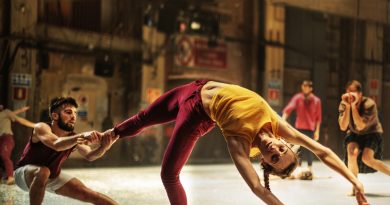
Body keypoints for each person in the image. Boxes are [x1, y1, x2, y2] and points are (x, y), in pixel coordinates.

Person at [100, 80, 368, 205]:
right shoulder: (278, 126)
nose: (276, 150)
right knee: (143, 117)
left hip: (196, 116)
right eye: (282, 150)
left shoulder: (238, 144)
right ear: (284, 143)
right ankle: (107, 138)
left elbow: (257, 188)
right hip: (192, 87)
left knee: (169, 175)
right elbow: (321, 151)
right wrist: (355, 181)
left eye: (274, 159)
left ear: (264, 162)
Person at [13, 97, 118, 205]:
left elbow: (90, 155)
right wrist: (82, 136)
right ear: (55, 116)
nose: (73, 117)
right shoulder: (42, 127)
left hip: (52, 176)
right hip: (23, 175)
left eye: (75, 113)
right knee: (43, 171)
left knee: (90, 195)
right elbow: (56, 144)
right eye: (68, 112)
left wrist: (104, 147)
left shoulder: (73, 137)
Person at [339, 80, 390, 194]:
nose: (350, 96)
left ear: (360, 94)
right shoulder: (344, 104)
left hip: (371, 133)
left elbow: (361, 125)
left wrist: (353, 107)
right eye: (348, 92)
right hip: (354, 133)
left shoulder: (369, 104)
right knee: (351, 152)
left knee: (367, 159)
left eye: (353, 92)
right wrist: (347, 107)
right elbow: (343, 127)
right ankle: (356, 186)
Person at [282, 80, 322, 179]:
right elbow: (288, 109)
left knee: (310, 149)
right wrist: (282, 121)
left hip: (310, 128)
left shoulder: (316, 101)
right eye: (303, 86)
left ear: (311, 88)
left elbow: (318, 118)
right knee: (298, 149)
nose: (305, 88)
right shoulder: (298, 98)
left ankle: (310, 168)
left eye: (307, 86)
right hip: (299, 128)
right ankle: (298, 168)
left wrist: (317, 131)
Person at [0, 104, 35, 185]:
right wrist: (20, 110)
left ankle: (10, 177)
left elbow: (20, 120)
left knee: (4, 155)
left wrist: (34, 125)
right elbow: (12, 113)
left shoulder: (6, 112)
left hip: (6, 137)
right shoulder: (5, 113)